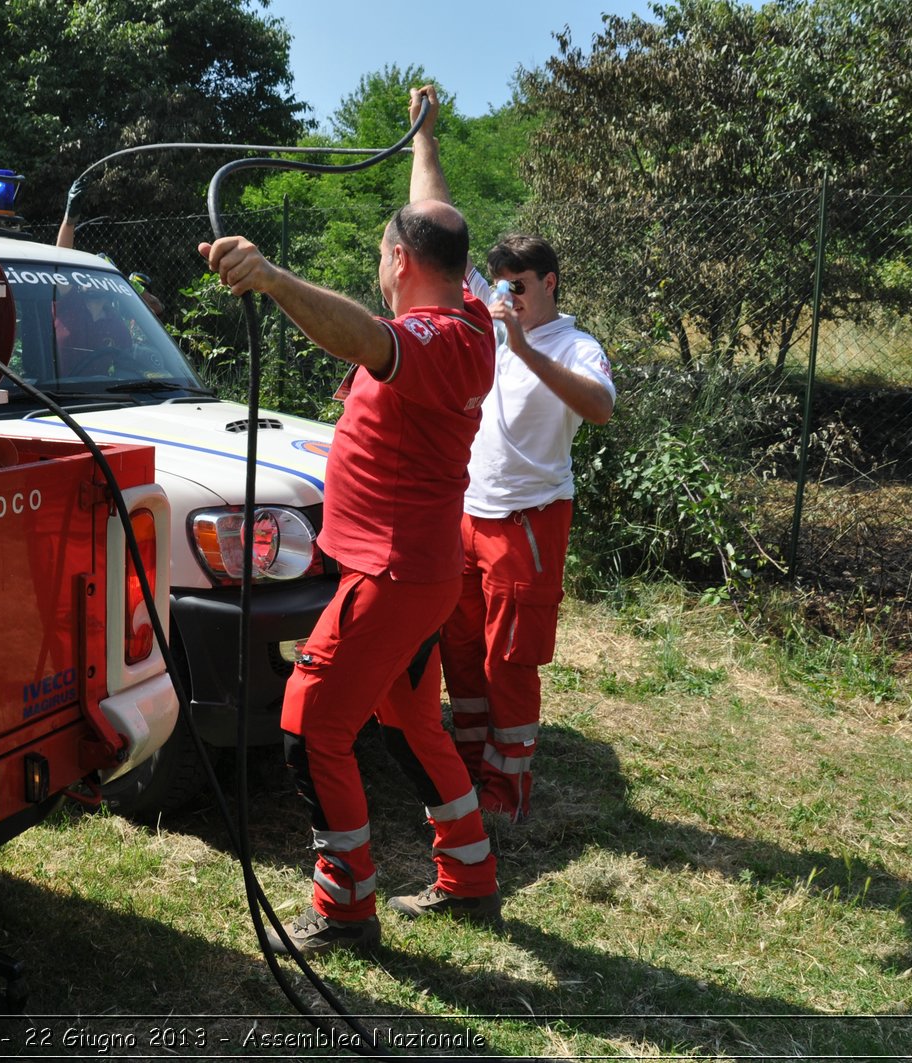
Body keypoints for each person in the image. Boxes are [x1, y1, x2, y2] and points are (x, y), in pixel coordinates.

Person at [197, 85, 499, 956]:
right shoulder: (468, 304)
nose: (380, 260)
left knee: (310, 721)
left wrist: (270, 276)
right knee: (411, 719)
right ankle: (470, 873)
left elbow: (366, 337)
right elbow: (431, 210)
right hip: (422, 567)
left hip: (394, 574)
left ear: (400, 262)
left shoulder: (437, 338)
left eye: (381, 251)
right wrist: (424, 135)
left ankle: (344, 908)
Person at [440, 235, 616, 823]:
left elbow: (600, 407)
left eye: (519, 285)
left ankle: (505, 792)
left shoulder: (574, 345)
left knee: (508, 659)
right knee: (459, 646)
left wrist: (520, 345)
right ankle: (465, 768)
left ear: (549, 283)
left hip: (529, 520)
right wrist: (425, 143)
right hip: (467, 514)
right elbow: (441, 233)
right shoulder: (492, 317)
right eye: (500, 284)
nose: (507, 295)